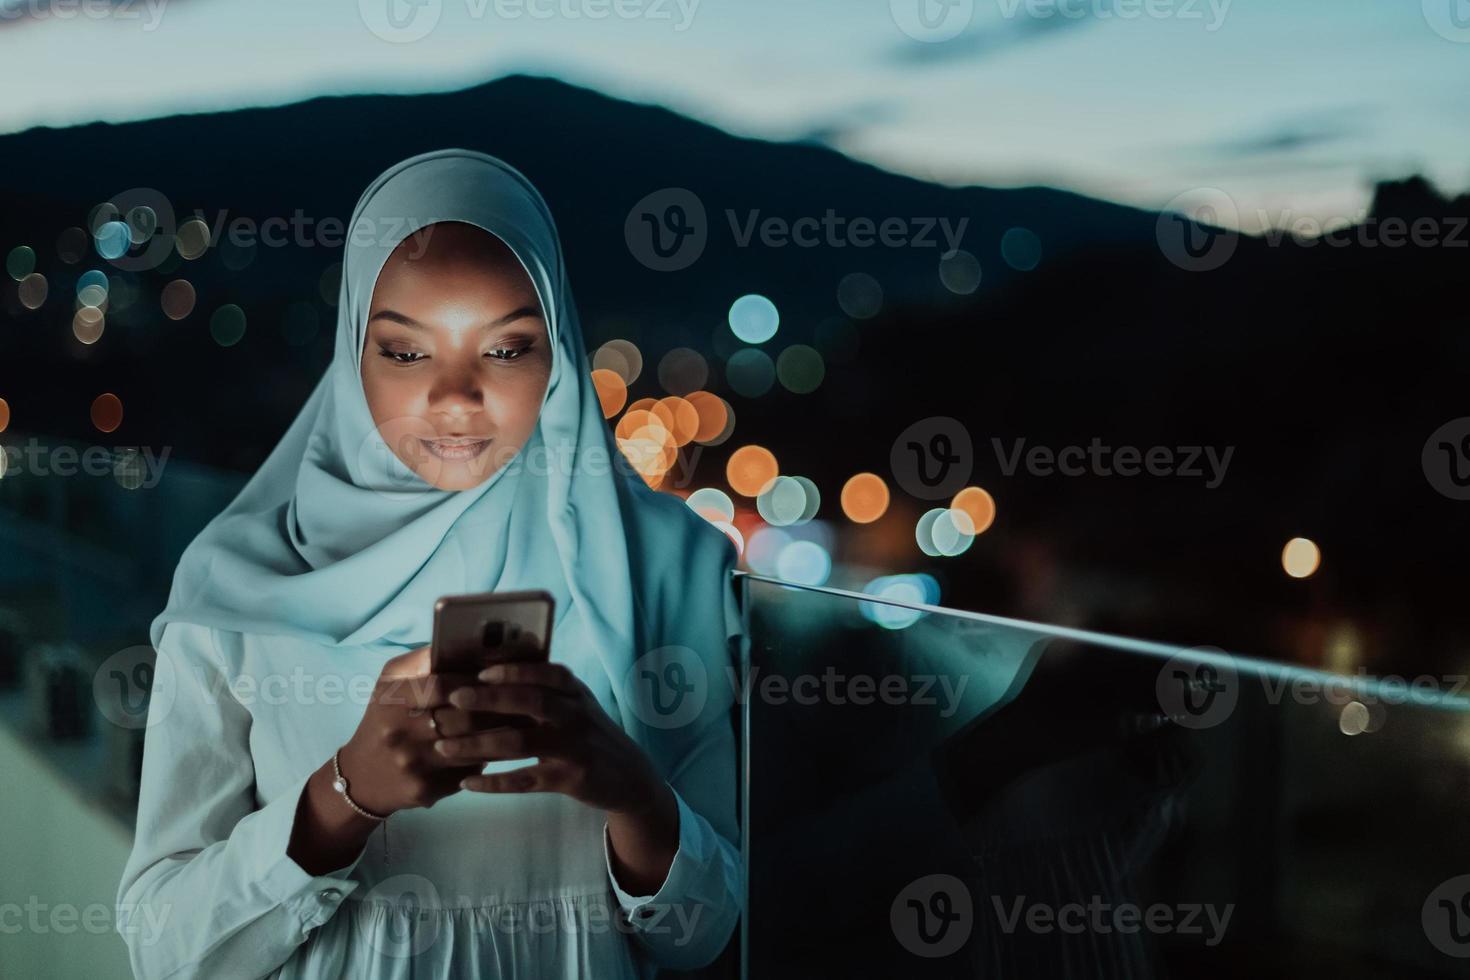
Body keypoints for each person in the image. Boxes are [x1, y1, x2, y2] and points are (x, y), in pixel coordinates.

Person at [115, 149, 744, 979]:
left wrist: (634, 794)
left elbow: (702, 937)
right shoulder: (239, 580)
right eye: (407, 353)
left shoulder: (668, 563)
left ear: (557, 351)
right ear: (352, 354)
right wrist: (344, 798)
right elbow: (163, 947)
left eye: (508, 349)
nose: (456, 398)